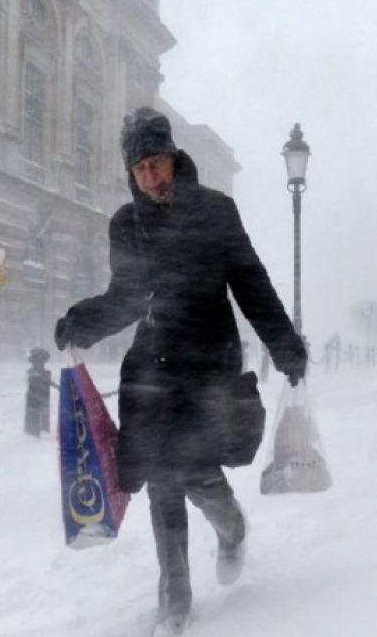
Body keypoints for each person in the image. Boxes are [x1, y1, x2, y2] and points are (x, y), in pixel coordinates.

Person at [53, 107, 307, 636]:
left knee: (196, 473)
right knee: (164, 483)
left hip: (209, 365)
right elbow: (125, 296)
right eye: (140, 167)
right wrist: (81, 322)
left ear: (174, 158)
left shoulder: (216, 211)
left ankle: (232, 529)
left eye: (157, 162)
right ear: (132, 171)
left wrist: (284, 346)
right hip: (153, 368)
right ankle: (174, 603)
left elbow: (250, 284)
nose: (151, 176)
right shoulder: (127, 223)